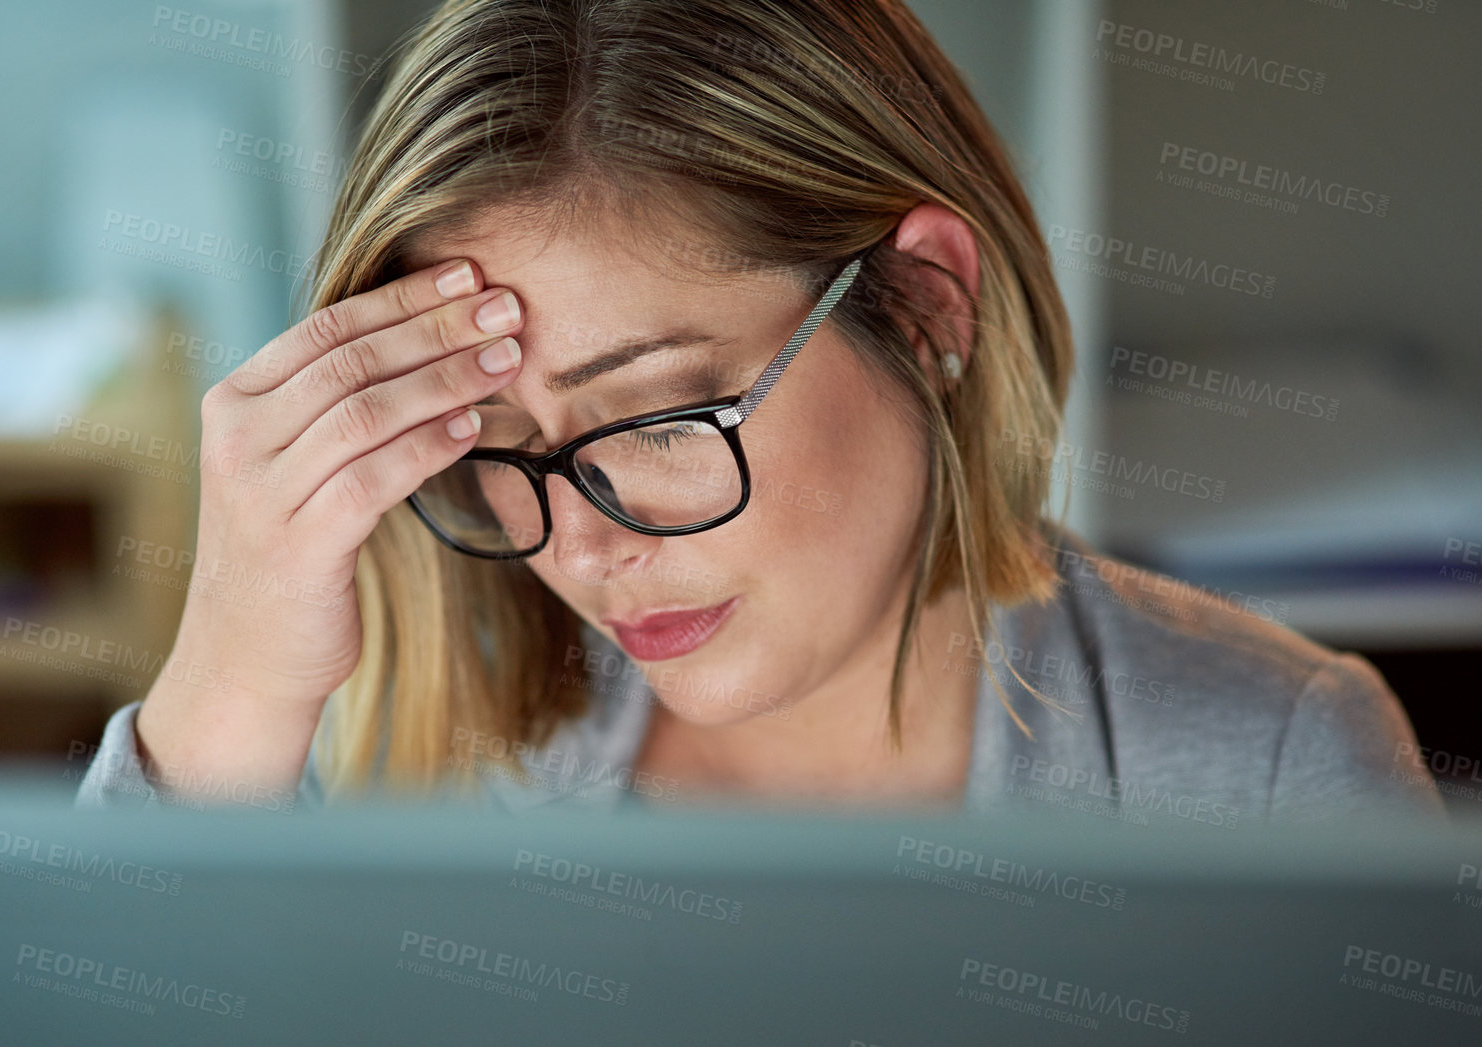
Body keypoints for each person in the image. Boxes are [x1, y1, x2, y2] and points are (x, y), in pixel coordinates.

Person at [77, 0, 1442, 825]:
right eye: (497, 447)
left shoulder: (1272, 764)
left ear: (922, 309)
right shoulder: (360, 748)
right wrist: (224, 691)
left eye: (666, 418)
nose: (587, 552)